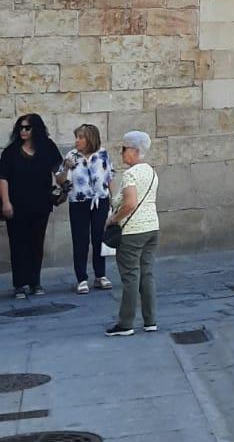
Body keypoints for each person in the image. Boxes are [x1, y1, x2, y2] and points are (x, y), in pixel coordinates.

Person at [0, 113, 62, 300]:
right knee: (18, 244)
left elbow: (58, 170)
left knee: (36, 243)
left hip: (41, 204)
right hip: (17, 205)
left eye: (27, 128)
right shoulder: (11, 152)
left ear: (36, 129)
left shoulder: (47, 148)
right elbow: (3, 178)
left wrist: (64, 180)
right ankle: (20, 284)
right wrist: (5, 202)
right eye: (21, 128)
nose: (23, 131)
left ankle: (35, 282)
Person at [104, 131, 160, 336]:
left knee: (130, 276)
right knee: (147, 274)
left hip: (132, 231)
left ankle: (126, 323)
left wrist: (112, 219)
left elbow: (130, 203)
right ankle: (150, 320)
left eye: (124, 149)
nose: (122, 153)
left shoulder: (131, 174)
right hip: (152, 227)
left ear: (135, 151)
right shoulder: (152, 172)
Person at [56, 122, 114, 295]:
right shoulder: (71, 156)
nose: (77, 140)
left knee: (99, 238)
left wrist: (115, 199)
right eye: (77, 137)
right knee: (80, 240)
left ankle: (100, 275)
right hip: (79, 202)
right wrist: (66, 167)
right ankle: (81, 278)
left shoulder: (102, 154)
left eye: (81, 137)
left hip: (100, 201)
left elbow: (110, 176)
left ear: (90, 139)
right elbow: (60, 179)